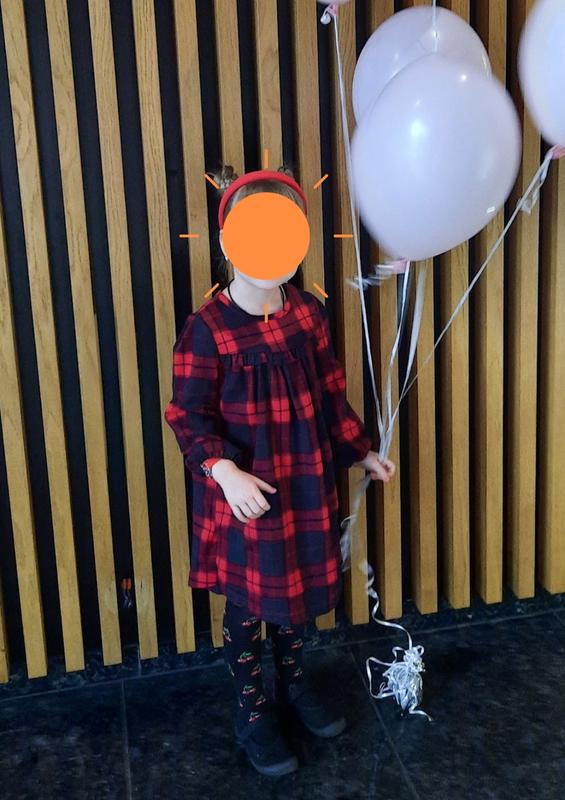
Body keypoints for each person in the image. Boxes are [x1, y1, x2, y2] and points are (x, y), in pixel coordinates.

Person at [164, 165, 395, 777]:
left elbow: (330, 392)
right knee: (248, 604)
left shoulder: (308, 313)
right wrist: (223, 471)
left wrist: (359, 449)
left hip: (305, 482)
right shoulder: (207, 330)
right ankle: (251, 709)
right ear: (229, 242)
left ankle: (294, 682)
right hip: (249, 494)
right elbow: (186, 415)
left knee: (294, 595)